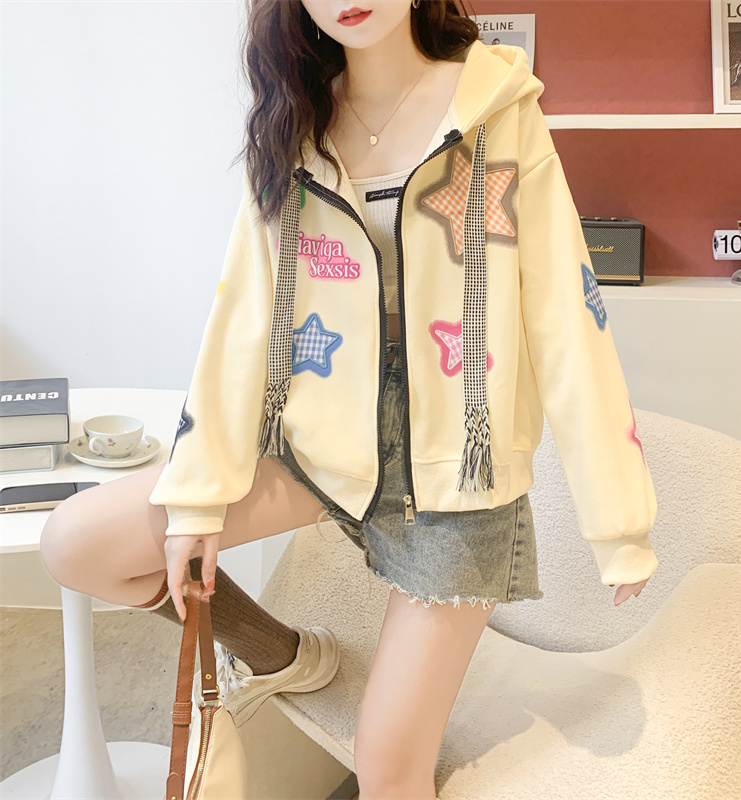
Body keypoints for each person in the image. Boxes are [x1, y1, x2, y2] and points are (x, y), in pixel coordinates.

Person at [39, 1, 660, 798]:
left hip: (457, 478)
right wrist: (197, 496)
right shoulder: (294, 120)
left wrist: (618, 519)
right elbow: (244, 314)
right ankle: (281, 655)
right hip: (325, 446)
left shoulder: (498, 110)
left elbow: (567, 315)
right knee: (76, 545)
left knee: (387, 768)